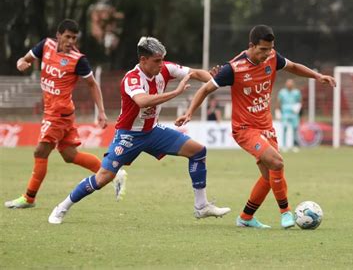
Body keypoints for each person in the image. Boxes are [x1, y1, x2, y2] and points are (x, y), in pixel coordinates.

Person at [48, 36, 231, 224]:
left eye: (162, 60)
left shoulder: (165, 68)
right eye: (156, 61)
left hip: (153, 131)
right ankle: (62, 207)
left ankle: (201, 206)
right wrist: (176, 93)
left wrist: (215, 80)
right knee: (103, 178)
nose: (161, 65)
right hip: (129, 135)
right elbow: (142, 100)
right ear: (143, 60)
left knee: (198, 151)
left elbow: (195, 73)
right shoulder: (131, 79)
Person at [175, 25, 336, 228]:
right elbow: (205, 89)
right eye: (262, 50)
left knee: (270, 178)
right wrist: (190, 112)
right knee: (277, 163)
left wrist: (317, 76)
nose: (266, 54)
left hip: (266, 126)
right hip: (245, 129)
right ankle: (286, 212)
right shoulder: (233, 68)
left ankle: (246, 218)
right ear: (251, 46)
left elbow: (293, 67)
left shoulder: (272, 57)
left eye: (270, 49)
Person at [5, 19, 127, 209]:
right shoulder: (45, 46)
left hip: (58, 113)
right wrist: (21, 62)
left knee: (40, 151)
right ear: (58, 35)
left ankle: (29, 198)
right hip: (57, 112)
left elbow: (93, 84)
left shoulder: (78, 60)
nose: (71, 41)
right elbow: (25, 59)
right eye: (68, 37)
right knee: (70, 155)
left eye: (74, 38)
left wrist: (101, 112)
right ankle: (114, 173)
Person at [277, 78, 302, 152]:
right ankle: (284, 146)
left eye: (291, 83)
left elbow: (300, 101)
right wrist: (278, 111)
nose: (289, 85)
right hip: (285, 113)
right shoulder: (282, 92)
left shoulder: (296, 92)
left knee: (295, 129)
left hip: (294, 113)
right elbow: (279, 102)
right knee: (284, 128)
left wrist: (298, 107)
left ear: (293, 84)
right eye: (288, 83)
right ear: (286, 84)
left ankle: (295, 145)